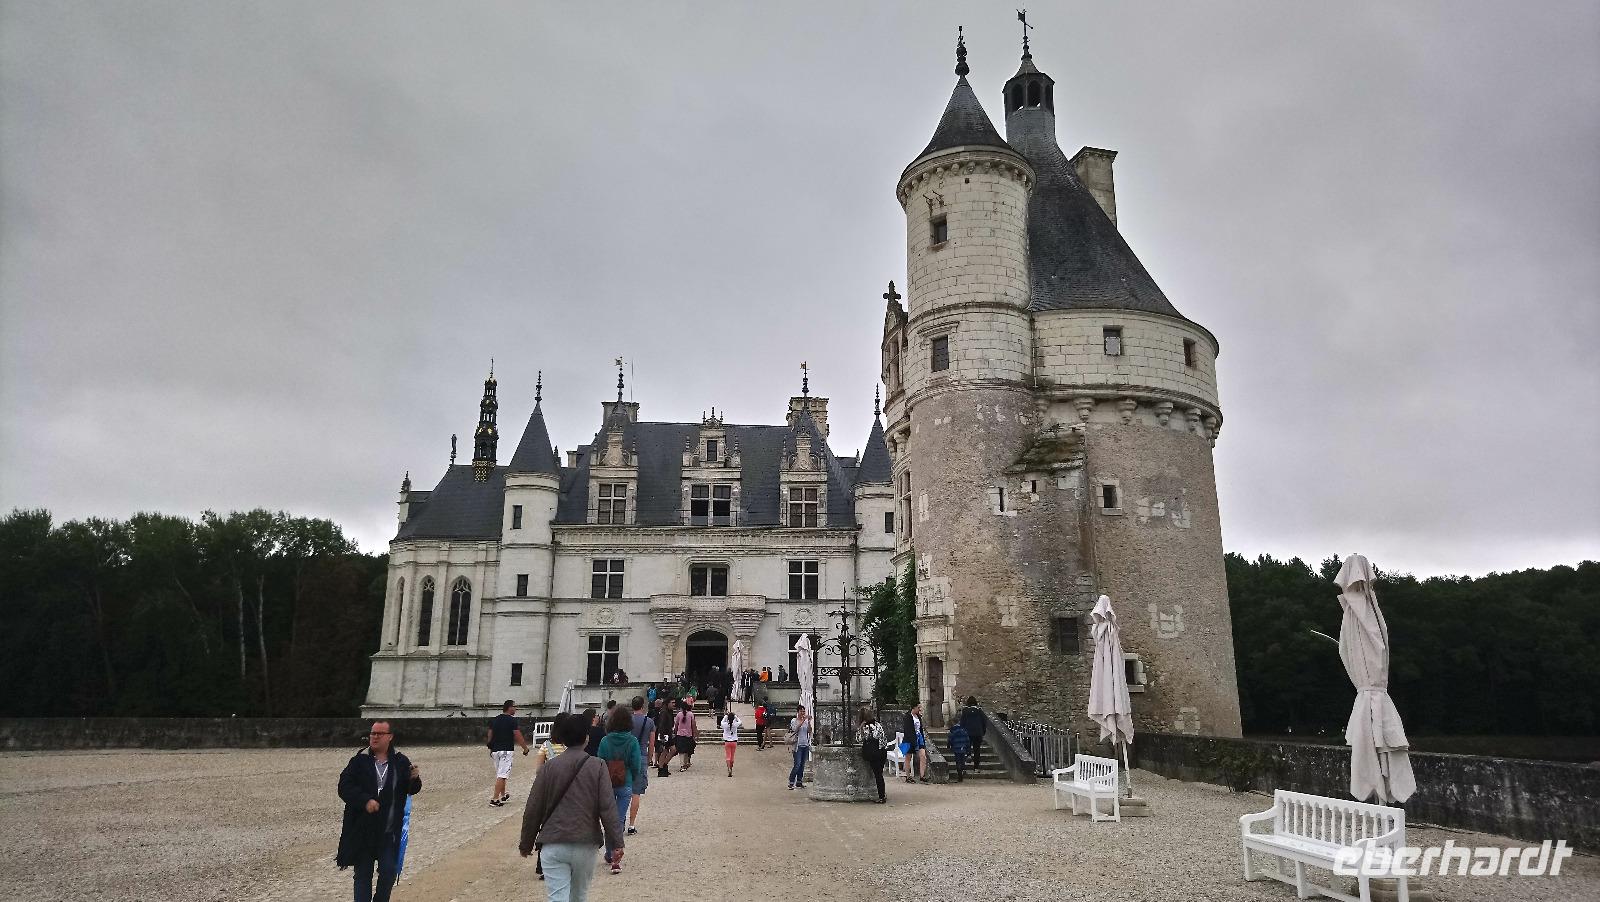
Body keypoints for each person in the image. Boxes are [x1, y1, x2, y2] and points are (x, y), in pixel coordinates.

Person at [519, 714, 623, 902]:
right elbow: (607, 807)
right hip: (585, 841)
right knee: (579, 897)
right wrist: (616, 843)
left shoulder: (549, 768)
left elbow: (534, 807)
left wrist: (526, 843)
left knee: (557, 898)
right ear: (586, 737)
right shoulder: (597, 766)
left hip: (553, 842)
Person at [337, 721, 423, 902]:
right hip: (363, 830)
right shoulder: (358, 761)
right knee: (362, 876)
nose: (374, 737)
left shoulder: (400, 761)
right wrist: (364, 800)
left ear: (390, 737)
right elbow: (344, 786)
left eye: (379, 733)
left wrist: (414, 779)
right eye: (372, 733)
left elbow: (411, 789)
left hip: (388, 831)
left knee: (389, 871)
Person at [596, 704, 642, 874]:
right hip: (625, 782)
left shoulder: (605, 740)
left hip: (607, 782)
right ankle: (616, 855)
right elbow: (636, 764)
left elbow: (599, 762)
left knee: (608, 818)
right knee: (619, 819)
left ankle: (609, 852)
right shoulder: (632, 741)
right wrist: (631, 776)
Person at [487, 699, 531, 807]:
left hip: (495, 751)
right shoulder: (512, 721)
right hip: (506, 750)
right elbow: (517, 735)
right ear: (509, 707)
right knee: (502, 774)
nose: (516, 709)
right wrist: (525, 748)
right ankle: (495, 799)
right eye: (514, 706)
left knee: (500, 774)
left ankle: (503, 795)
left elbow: (490, 734)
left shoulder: (495, 720)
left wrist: (491, 748)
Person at [626, 696, 654, 835]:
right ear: (642, 706)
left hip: (627, 756)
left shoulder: (627, 720)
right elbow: (652, 742)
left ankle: (619, 821)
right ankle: (631, 825)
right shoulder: (649, 721)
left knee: (622, 789)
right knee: (636, 793)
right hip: (641, 755)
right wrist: (649, 758)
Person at [857, 706, 888, 803]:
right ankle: (882, 795)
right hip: (883, 751)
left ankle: (881, 797)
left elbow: (859, 739)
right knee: (880, 774)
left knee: (877, 775)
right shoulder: (878, 724)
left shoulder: (865, 727)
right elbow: (882, 738)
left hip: (874, 753)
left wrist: (860, 729)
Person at [899, 704, 929, 783]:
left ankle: (922, 776)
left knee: (923, 756)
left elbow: (920, 728)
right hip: (910, 739)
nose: (919, 709)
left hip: (919, 738)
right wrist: (913, 741)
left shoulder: (918, 716)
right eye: (918, 707)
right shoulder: (907, 717)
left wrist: (922, 737)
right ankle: (908, 776)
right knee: (908, 758)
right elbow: (908, 730)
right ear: (913, 707)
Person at [787, 704, 811, 790]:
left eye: (804, 711)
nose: (803, 713)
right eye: (801, 711)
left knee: (802, 765)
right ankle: (791, 781)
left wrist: (808, 722)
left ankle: (799, 782)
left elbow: (809, 731)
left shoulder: (805, 721)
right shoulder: (794, 720)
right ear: (798, 712)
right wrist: (803, 720)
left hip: (805, 744)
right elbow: (795, 729)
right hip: (797, 745)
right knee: (797, 764)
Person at [958, 696, 987, 770]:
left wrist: (961, 732)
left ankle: (968, 755)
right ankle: (976, 767)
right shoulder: (979, 711)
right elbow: (984, 722)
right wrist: (983, 732)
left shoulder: (965, 711)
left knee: (967, 746)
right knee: (977, 750)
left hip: (968, 732)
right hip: (978, 733)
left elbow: (962, 722)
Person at [653, 698, 677, 777]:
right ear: (667, 703)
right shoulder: (664, 712)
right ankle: (661, 768)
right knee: (664, 751)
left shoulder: (669, 712)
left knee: (671, 750)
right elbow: (661, 725)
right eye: (672, 702)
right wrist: (662, 736)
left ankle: (663, 765)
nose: (674, 704)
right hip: (664, 734)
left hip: (668, 734)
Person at [672, 698, 697, 771]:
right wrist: (694, 733)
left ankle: (682, 764)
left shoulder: (679, 714)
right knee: (686, 750)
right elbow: (693, 725)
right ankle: (685, 763)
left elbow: (676, 724)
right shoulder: (691, 714)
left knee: (681, 751)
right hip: (688, 734)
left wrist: (675, 732)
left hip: (680, 734)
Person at [947, 718, 971, 783]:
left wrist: (949, 746)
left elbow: (950, 740)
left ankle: (959, 773)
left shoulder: (952, 731)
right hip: (963, 747)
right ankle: (962, 769)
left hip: (956, 748)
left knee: (958, 761)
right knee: (962, 760)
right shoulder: (964, 731)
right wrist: (968, 750)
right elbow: (967, 740)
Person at [719, 709, 742, 777]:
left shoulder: (725, 725)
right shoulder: (735, 724)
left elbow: (721, 722)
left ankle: (729, 768)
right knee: (732, 756)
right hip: (734, 741)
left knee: (728, 755)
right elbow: (740, 721)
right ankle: (731, 767)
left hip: (727, 742)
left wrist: (726, 716)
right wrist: (735, 716)